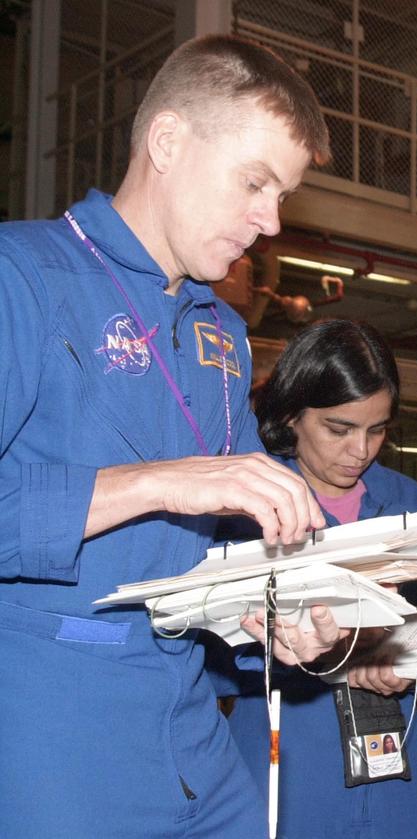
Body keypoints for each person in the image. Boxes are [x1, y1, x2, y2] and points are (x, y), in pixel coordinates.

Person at [0, 35, 345, 835]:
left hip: (193, 731)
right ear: (167, 141)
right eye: (255, 182)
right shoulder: (23, 277)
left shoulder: (219, 333)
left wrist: (283, 609)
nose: (270, 219)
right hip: (50, 728)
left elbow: (220, 545)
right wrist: (161, 480)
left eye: (283, 193)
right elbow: (182, 487)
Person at [209, 319, 417, 839]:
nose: (360, 450)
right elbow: (209, 653)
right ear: (290, 416)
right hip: (287, 752)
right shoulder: (244, 507)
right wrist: (328, 652)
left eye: (378, 429)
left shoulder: (407, 502)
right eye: (339, 429)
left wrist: (408, 661)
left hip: (395, 758)